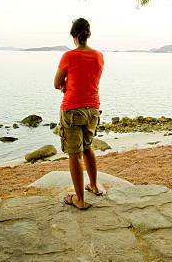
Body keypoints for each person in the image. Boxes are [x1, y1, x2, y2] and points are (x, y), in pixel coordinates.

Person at [54, 18, 105, 210]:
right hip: (92, 108)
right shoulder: (99, 56)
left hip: (72, 108)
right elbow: (89, 79)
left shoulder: (69, 56)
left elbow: (56, 83)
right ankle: (93, 185)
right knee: (88, 147)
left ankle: (80, 200)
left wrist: (65, 85)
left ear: (73, 35)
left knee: (74, 154)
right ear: (88, 34)